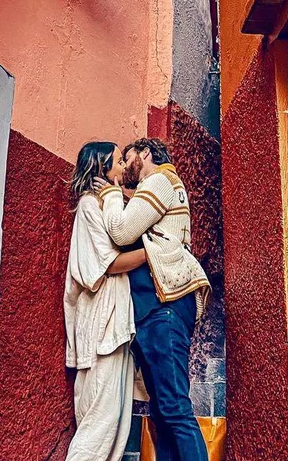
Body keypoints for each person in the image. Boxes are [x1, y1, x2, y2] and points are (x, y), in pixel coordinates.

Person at [94, 138, 210, 461]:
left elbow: (121, 231)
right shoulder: (160, 188)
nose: (123, 167)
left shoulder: (159, 179)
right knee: (163, 412)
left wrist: (112, 193)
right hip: (157, 308)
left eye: (126, 158)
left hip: (165, 307)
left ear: (144, 155)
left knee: (174, 408)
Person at [63, 141, 150, 461]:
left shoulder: (108, 206)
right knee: (99, 424)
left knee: (112, 422)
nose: (123, 167)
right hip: (102, 325)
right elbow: (107, 264)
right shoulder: (89, 206)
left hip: (113, 325)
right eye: (116, 162)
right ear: (102, 170)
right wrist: (154, 253)